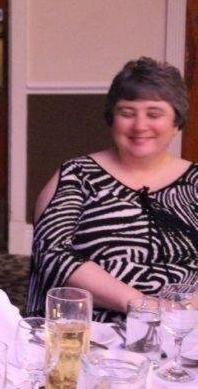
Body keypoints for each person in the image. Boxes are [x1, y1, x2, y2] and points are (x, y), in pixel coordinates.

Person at [27, 57, 198, 322]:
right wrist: (143, 305)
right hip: (92, 332)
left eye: (154, 114)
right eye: (127, 113)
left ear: (176, 122)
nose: (140, 125)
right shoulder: (77, 175)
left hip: (186, 329)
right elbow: (52, 254)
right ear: (111, 119)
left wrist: (184, 311)